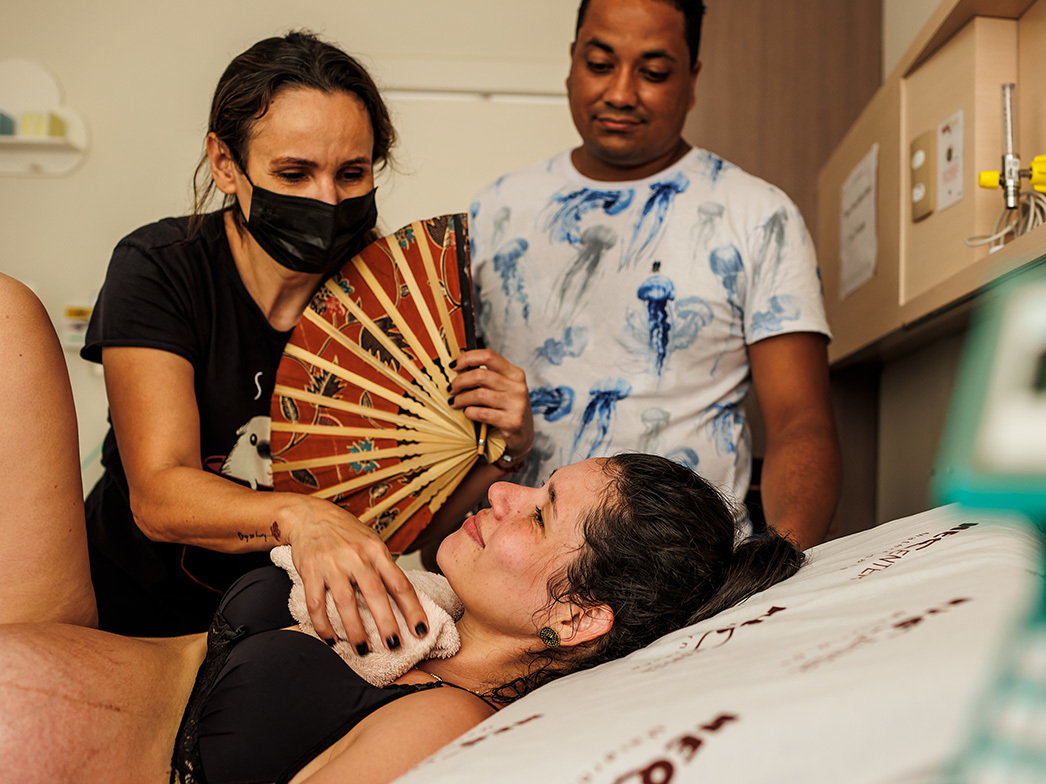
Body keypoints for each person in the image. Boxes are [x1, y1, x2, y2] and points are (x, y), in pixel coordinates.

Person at [0, 270, 804, 783]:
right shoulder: (429, 613)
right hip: (59, 637)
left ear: (577, 617)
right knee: (10, 314)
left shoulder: (446, 719)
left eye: (540, 513)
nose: (505, 494)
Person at [80, 31, 534, 641]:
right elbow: (159, 497)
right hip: (128, 608)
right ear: (225, 163)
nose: (326, 200)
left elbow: (415, 532)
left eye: (351, 173)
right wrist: (300, 516)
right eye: (294, 173)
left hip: (284, 632)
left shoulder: (396, 303)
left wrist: (505, 447)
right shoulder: (162, 267)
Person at [469, 0, 841, 549]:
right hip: (518, 564)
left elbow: (800, 422)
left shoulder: (759, 214)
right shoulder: (494, 210)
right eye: (599, 64)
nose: (621, 93)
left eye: (654, 73)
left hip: (693, 571)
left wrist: (778, 565)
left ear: (692, 81)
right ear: (571, 63)